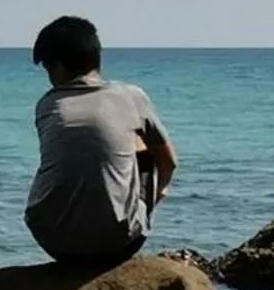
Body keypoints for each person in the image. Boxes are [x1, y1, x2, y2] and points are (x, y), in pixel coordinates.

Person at [23, 16, 176, 267]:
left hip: (52, 241)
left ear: (58, 67)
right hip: (118, 244)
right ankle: (130, 217)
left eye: (48, 69)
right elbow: (169, 162)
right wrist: (156, 196)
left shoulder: (48, 105)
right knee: (142, 147)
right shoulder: (132, 96)